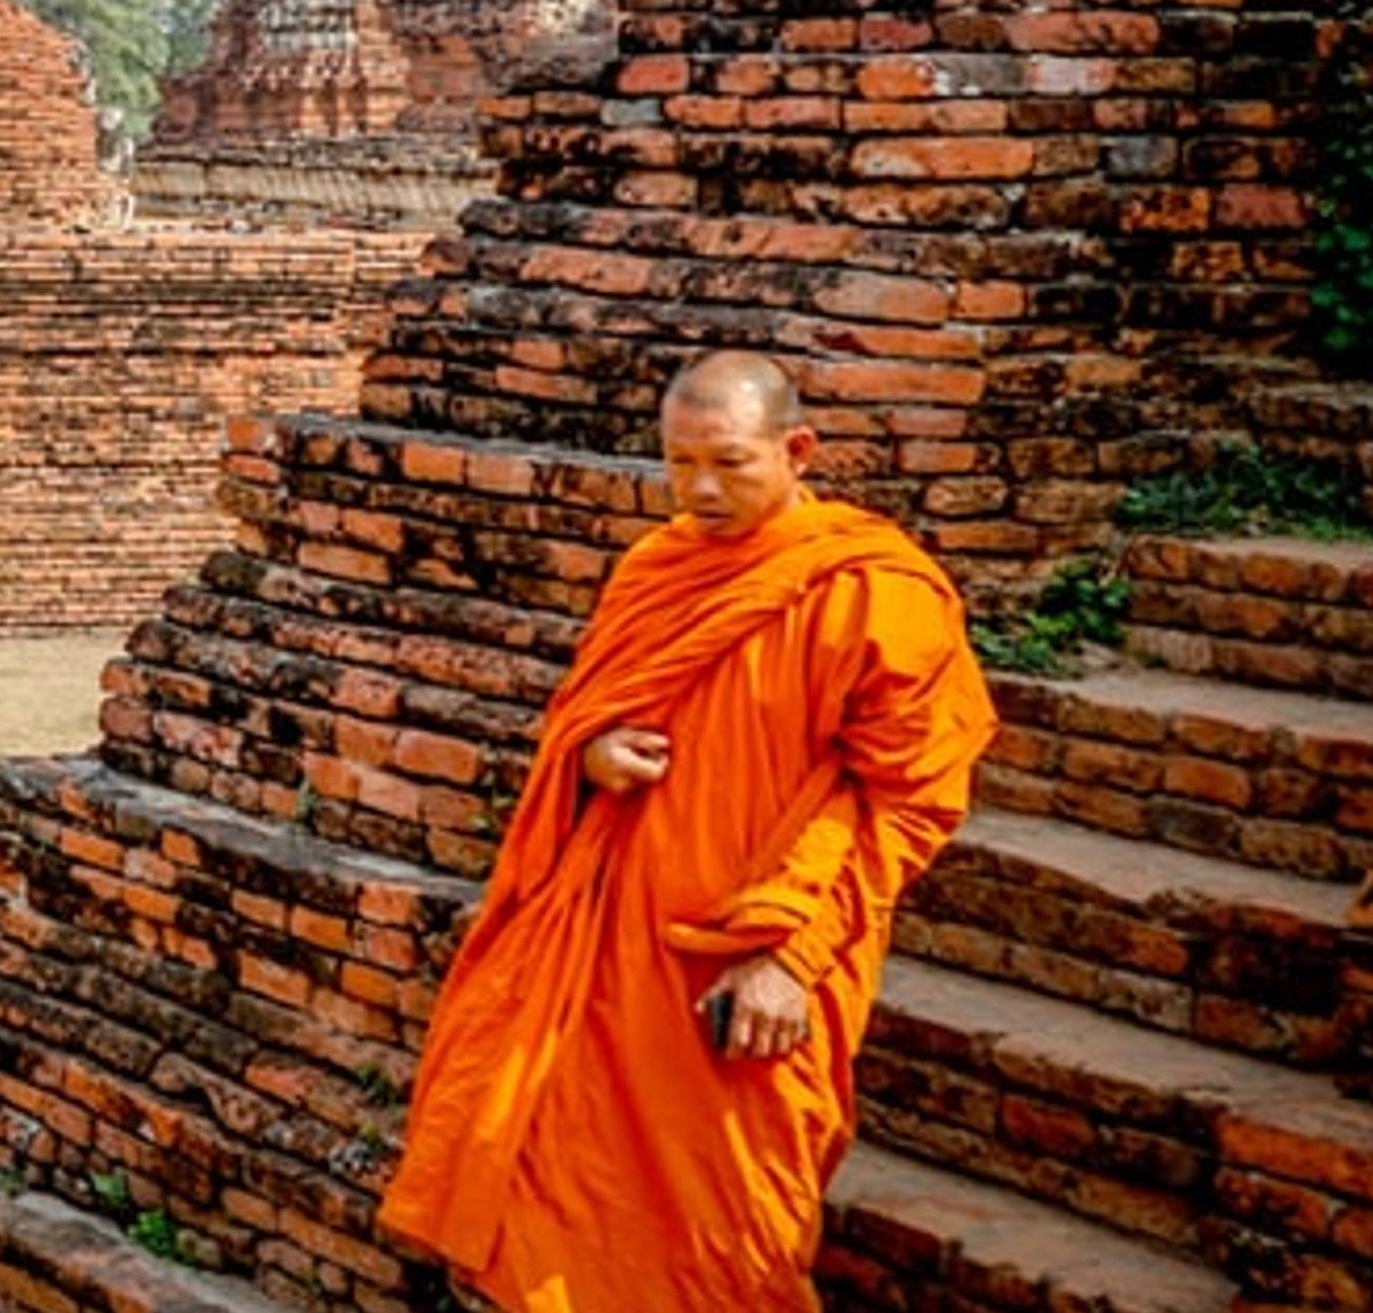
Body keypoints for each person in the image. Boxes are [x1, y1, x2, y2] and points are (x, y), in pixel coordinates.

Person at [376, 350, 999, 1312]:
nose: (700, 489)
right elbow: (578, 721)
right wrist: (588, 755)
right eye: (679, 464)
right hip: (608, 949)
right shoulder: (655, 569)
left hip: (748, 965)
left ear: (798, 451)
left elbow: (908, 801)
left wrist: (793, 959)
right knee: (551, 1197)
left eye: (730, 463)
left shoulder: (878, 594)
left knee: (730, 1231)